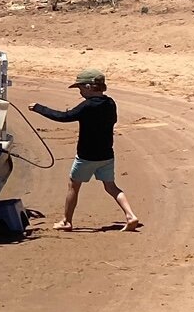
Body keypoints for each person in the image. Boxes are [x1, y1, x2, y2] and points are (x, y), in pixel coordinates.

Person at [31, 68, 141, 232]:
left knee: (73, 186)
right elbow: (113, 120)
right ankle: (130, 215)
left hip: (86, 156)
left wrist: (39, 108)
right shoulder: (110, 103)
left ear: (89, 87)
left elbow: (63, 117)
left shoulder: (87, 106)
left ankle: (66, 221)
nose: (80, 92)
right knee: (111, 187)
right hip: (106, 155)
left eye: (81, 88)